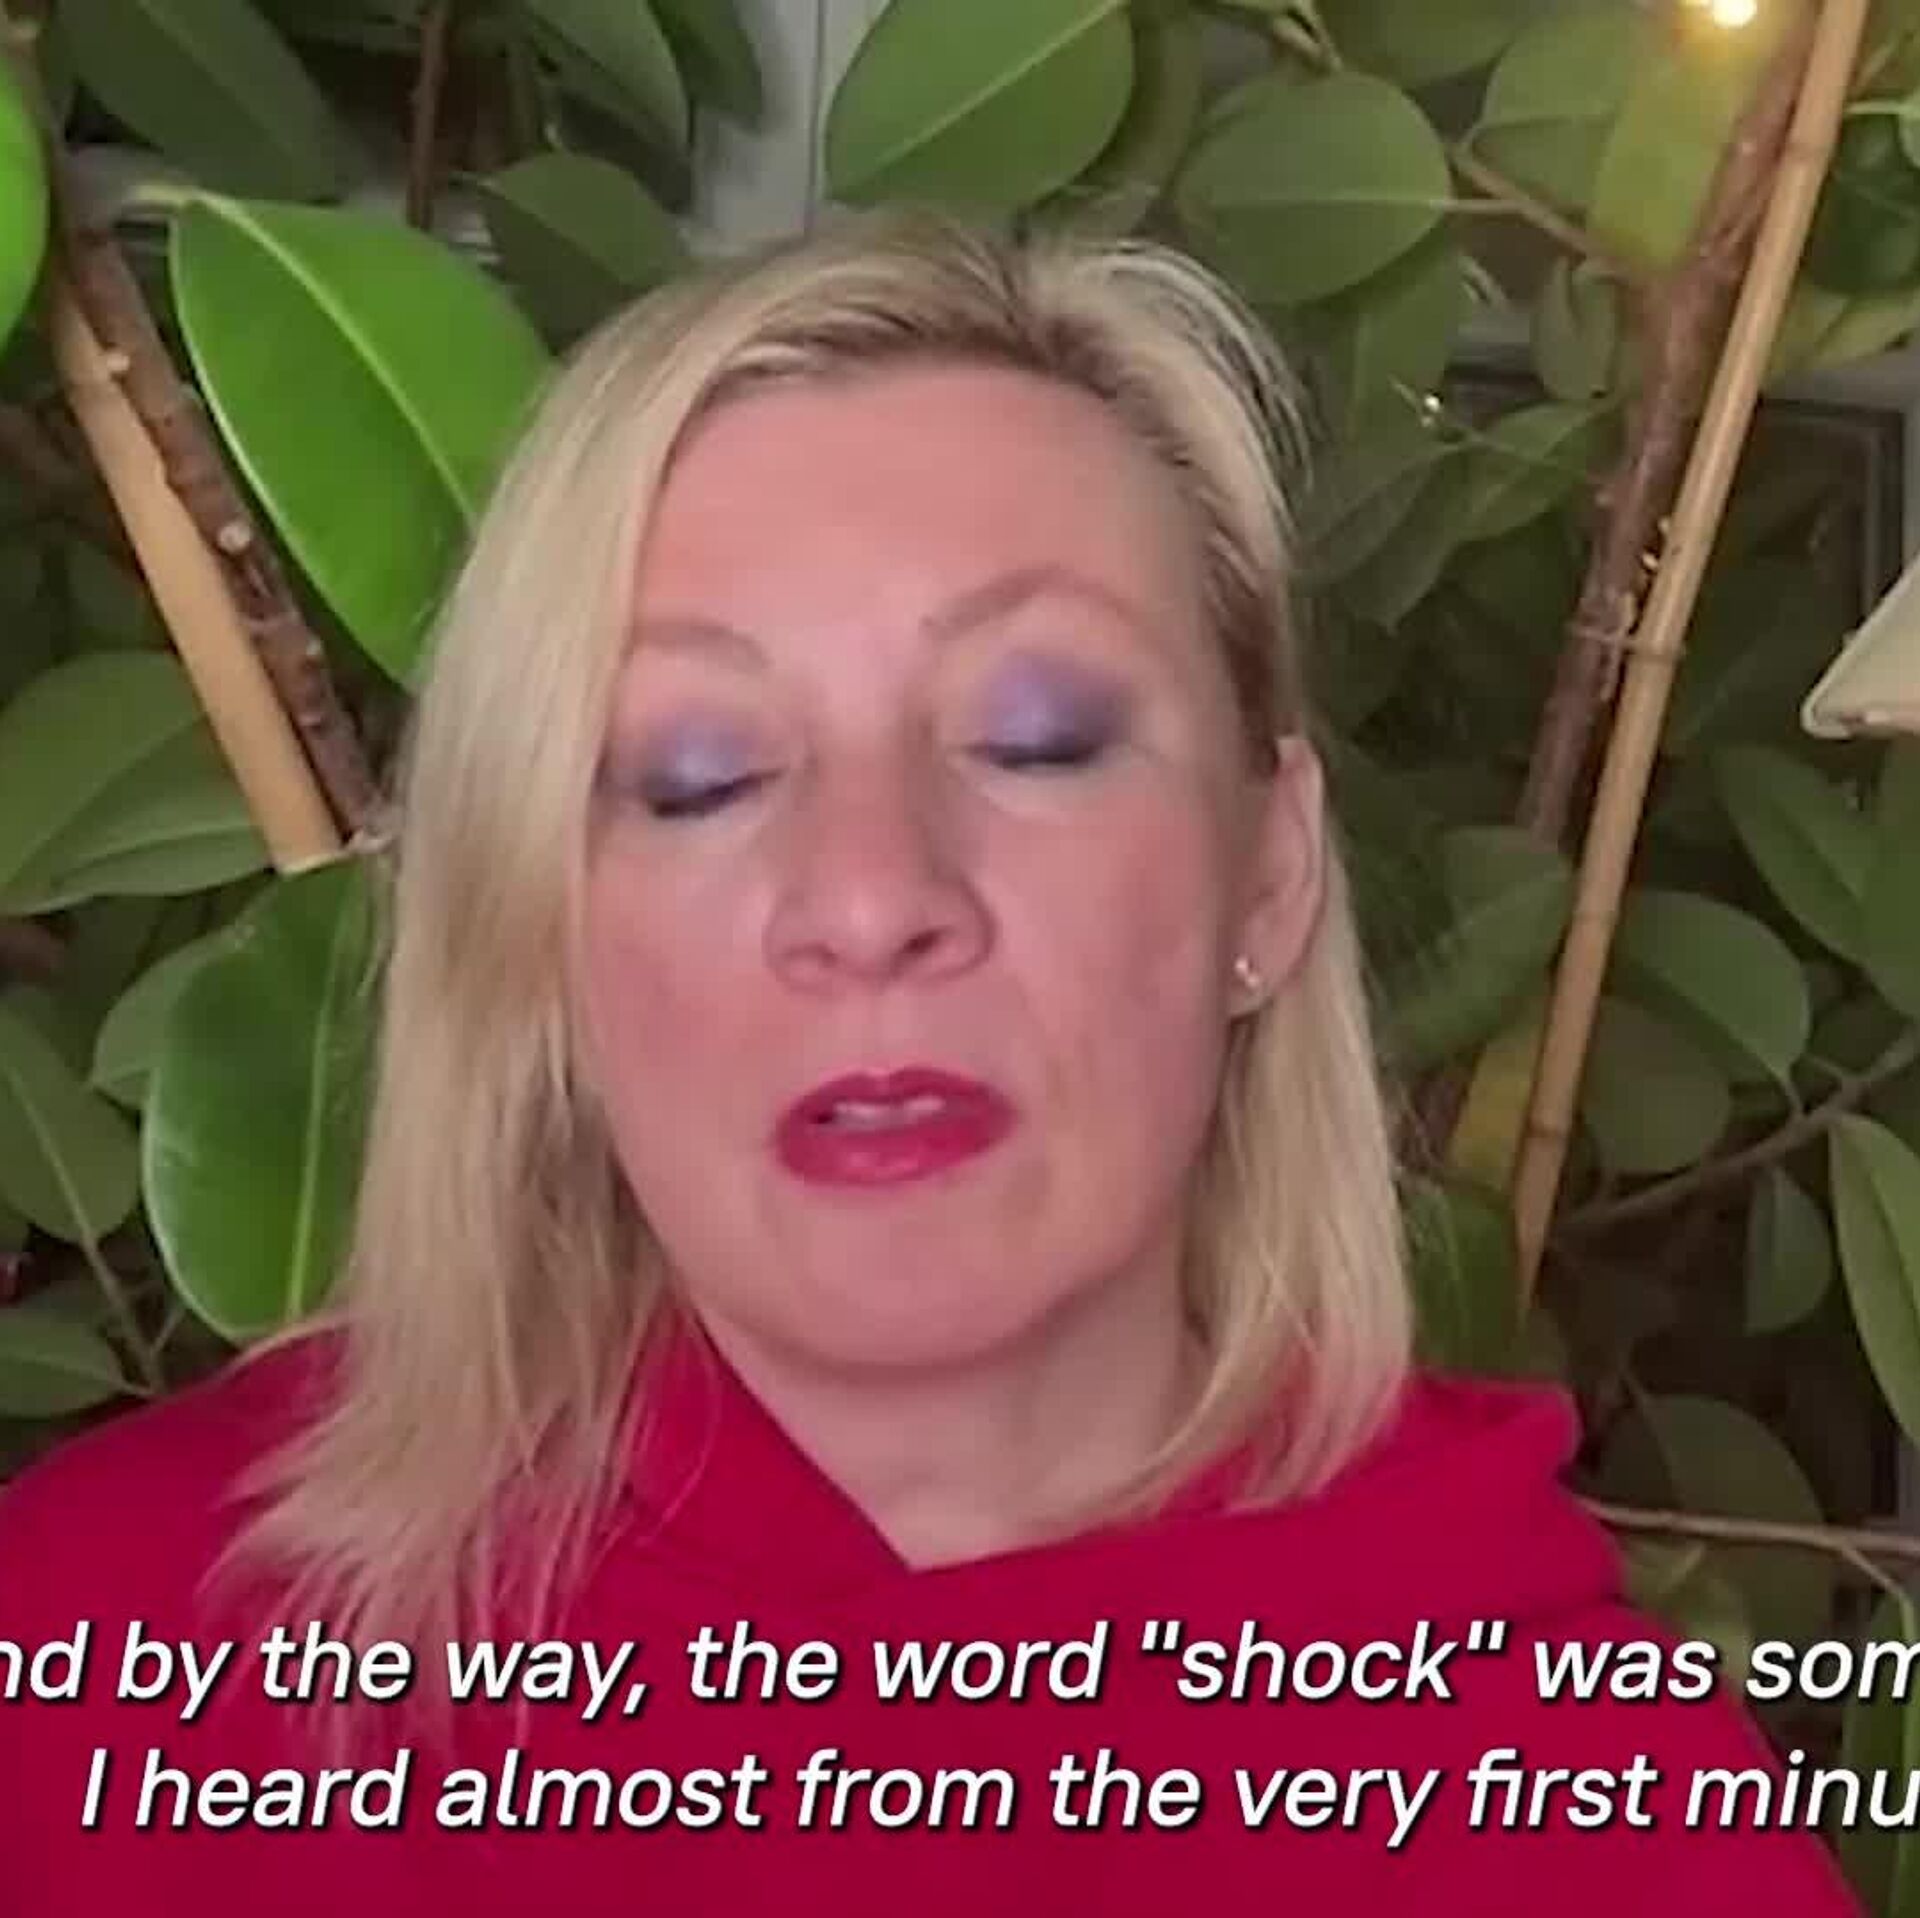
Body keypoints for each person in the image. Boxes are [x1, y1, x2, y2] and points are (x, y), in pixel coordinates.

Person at [0, 210, 1860, 1915]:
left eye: (1037, 736)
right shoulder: (109, 1678)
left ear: (1271, 871)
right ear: (543, 934)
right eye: (698, 774)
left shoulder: (1590, 1802)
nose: (873, 895)